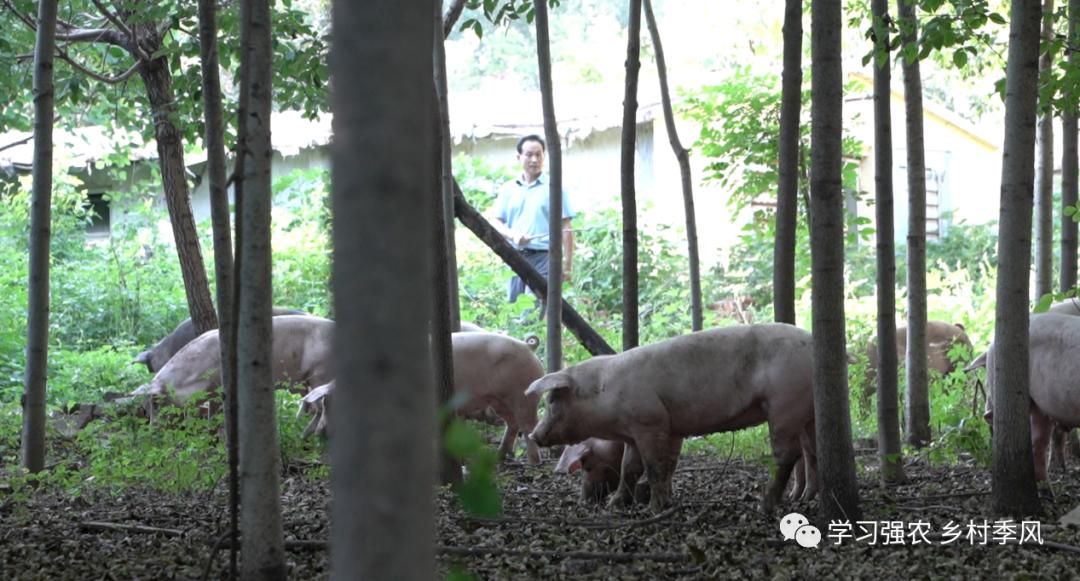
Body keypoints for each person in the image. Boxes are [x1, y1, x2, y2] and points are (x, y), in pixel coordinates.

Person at [490, 134, 575, 317]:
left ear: (544, 156)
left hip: (544, 257)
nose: (534, 160)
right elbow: (496, 221)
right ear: (519, 157)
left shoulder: (554, 187)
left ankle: (533, 344)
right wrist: (513, 235)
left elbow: (566, 227)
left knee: (530, 311)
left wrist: (567, 266)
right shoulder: (508, 189)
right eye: (529, 155)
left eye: (539, 155)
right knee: (514, 308)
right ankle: (518, 345)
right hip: (514, 256)